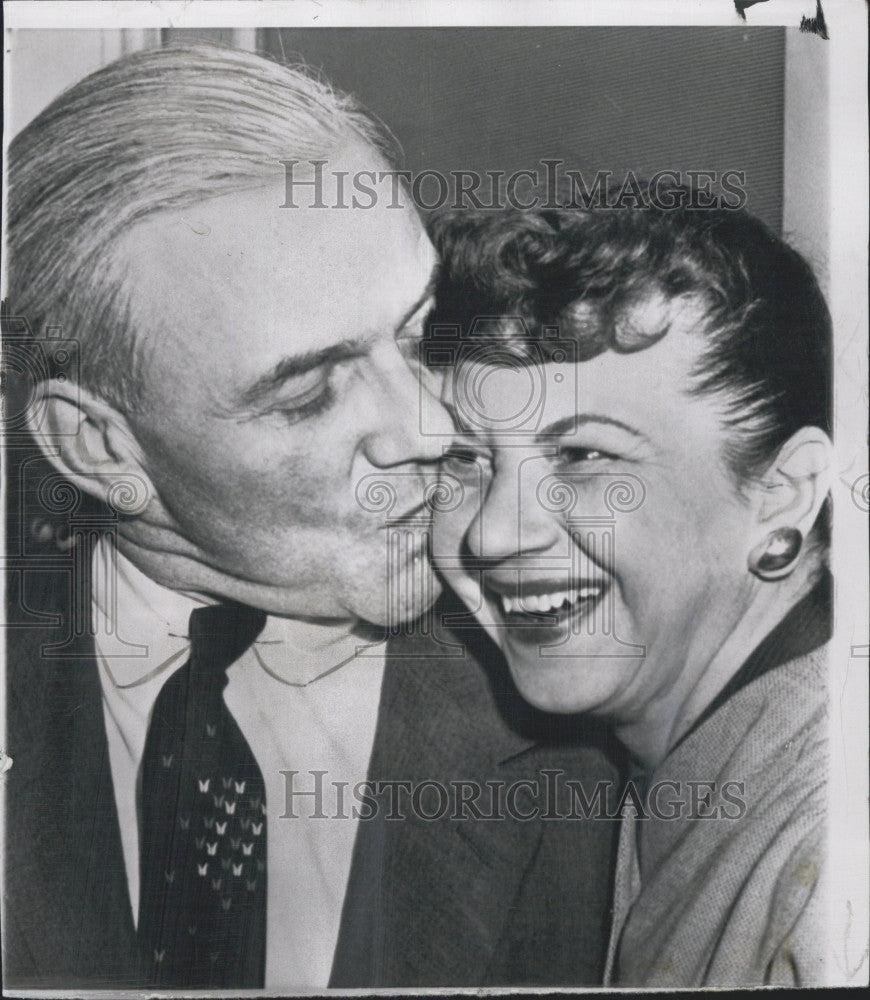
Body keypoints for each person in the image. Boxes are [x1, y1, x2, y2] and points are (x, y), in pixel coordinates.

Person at [2, 45, 619, 990]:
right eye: (307, 395)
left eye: (420, 334)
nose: (428, 426)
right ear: (100, 449)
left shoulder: (599, 678)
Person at [428, 192, 833, 987]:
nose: (492, 535)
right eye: (466, 459)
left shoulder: (829, 861)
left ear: (782, 493)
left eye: (582, 456)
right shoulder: (653, 765)